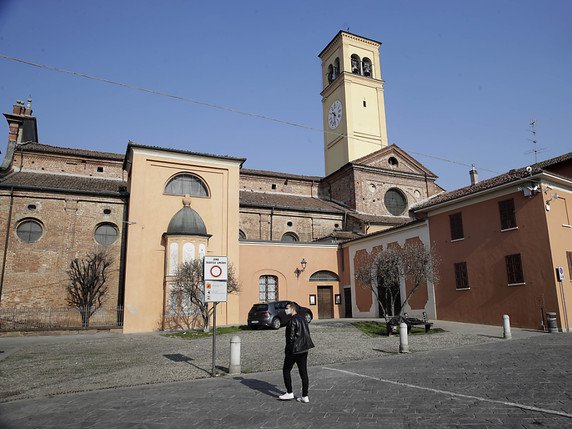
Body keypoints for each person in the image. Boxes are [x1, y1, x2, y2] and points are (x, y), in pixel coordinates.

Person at [278, 301, 314, 403]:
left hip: (294, 350)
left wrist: (287, 350)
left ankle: (289, 392)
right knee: (303, 372)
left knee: (286, 370)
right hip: (304, 349)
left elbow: (290, 338)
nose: (286, 310)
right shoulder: (303, 319)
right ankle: (305, 396)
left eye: (287, 308)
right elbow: (306, 333)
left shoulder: (291, 321)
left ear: (293, 309)